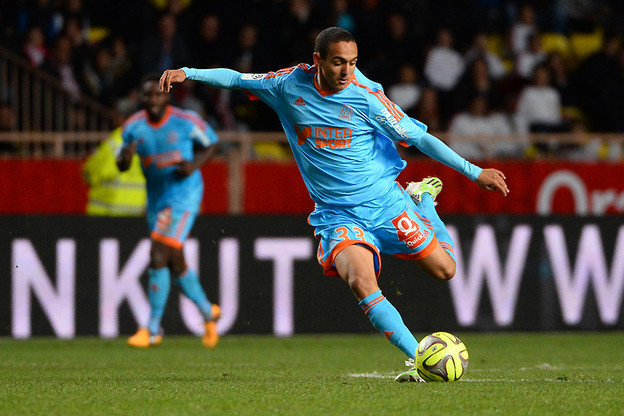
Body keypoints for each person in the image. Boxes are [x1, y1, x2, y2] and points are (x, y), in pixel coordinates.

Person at [159, 27, 508, 379]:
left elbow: (420, 139)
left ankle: (423, 200)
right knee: (361, 282)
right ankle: (417, 358)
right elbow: (236, 79)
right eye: (339, 62)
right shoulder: (288, 85)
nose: (346, 71)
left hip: (387, 205)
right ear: (318, 60)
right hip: (337, 215)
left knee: (445, 270)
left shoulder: (367, 97)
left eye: (353, 63)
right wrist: (188, 72)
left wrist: (474, 172)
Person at [117, 74, 221, 348]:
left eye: (158, 94)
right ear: (142, 98)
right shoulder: (132, 127)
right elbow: (121, 163)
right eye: (148, 95)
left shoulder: (186, 121)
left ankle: (152, 328)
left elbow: (213, 143)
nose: (153, 99)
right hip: (156, 200)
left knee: (157, 254)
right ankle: (208, 312)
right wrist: (124, 160)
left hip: (184, 196)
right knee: (175, 262)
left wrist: (193, 165)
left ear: (167, 96)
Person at [83, 125, 147, 216]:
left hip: (106, 216)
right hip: (136, 216)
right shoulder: (151, 143)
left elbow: (89, 175)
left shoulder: (113, 144)